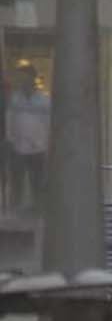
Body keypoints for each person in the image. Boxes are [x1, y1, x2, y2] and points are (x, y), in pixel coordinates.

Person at [5, 64, 49, 213]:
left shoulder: (44, 100)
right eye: (20, 77)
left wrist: (45, 143)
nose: (22, 80)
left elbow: (49, 124)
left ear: (32, 78)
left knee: (36, 181)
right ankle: (15, 209)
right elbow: (9, 120)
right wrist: (10, 140)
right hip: (17, 148)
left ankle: (37, 210)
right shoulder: (14, 99)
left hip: (38, 149)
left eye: (25, 77)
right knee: (17, 181)